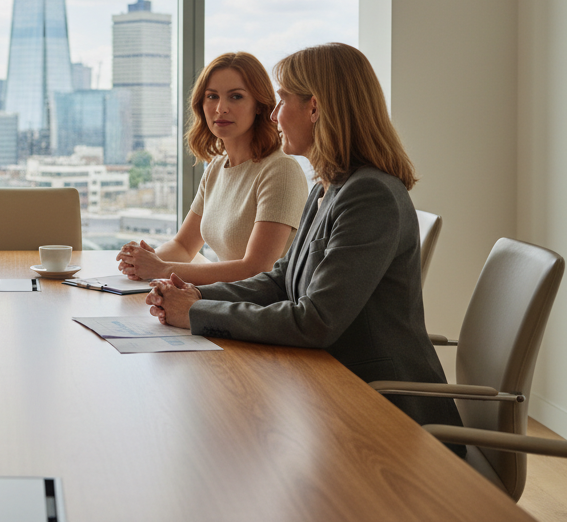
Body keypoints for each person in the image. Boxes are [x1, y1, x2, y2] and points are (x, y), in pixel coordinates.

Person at [145, 42, 465, 443]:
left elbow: (316, 321)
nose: (275, 116)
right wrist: (195, 294)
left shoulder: (371, 196)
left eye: (282, 101)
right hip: (331, 389)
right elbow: (280, 280)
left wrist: (198, 311)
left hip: (386, 412)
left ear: (314, 108)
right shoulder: (328, 187)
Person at [116, 52, 307, 284]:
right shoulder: (217, 167)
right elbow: (184, 246)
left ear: (259, 105)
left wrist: (161, 269)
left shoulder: (280, 170)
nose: (220, 108)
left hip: (260, 311)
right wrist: (144, 259)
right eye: (212, 96)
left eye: (236, 97)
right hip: (226, 301)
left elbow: (257, 269)